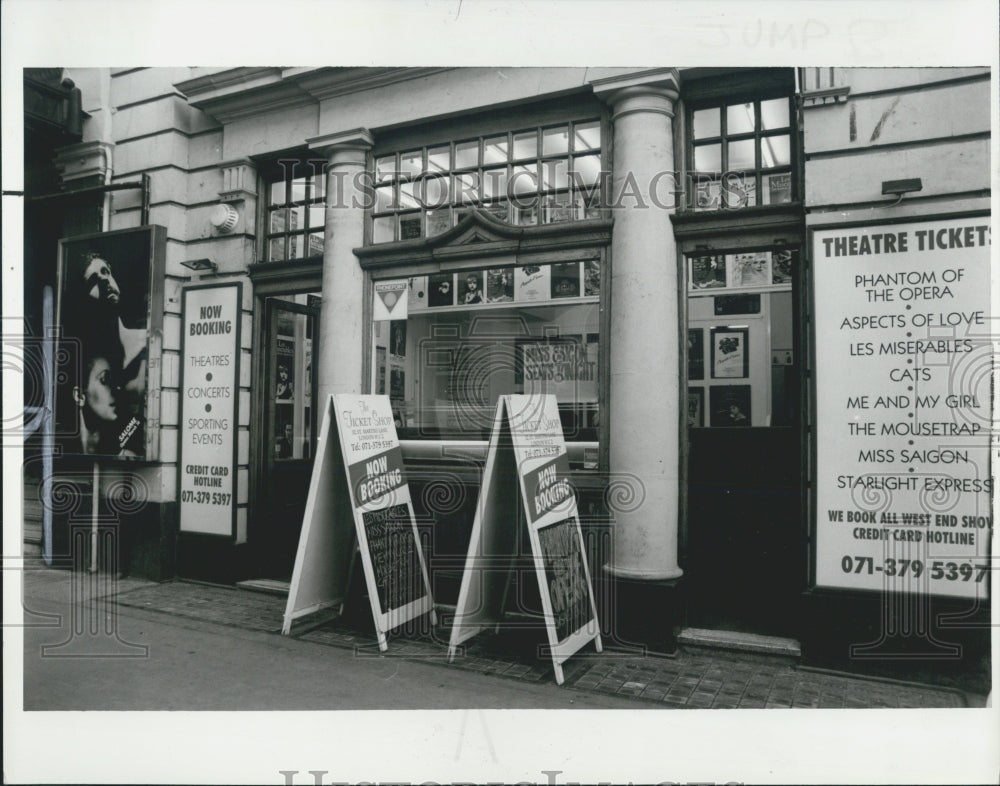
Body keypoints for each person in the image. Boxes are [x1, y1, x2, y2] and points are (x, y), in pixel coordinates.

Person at [72, 352, 141, 457]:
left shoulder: (125, 450)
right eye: (104, 379)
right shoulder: (58, 442)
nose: (116, 388)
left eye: (114, 379)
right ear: (79, 396)